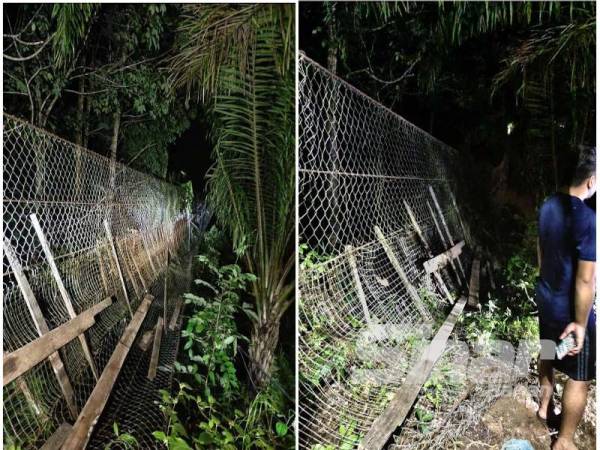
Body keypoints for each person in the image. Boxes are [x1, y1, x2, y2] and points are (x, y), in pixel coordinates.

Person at [535, 146, 596, 450]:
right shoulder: (587, 219)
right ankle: (565, 440)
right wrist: (581, 324)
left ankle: (545, 403)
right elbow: (586, 280)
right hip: (568, 312)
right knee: (580, 376)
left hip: (546, 298)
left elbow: (541, 254)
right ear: (591, 181)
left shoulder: (547, 206)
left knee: (548, 349)